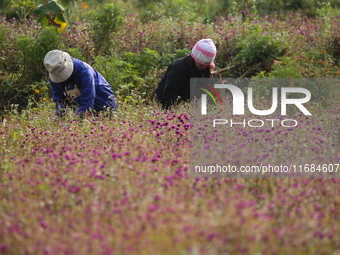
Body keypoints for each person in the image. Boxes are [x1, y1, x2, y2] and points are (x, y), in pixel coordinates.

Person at [43, 49, 117, 119]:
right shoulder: (54, 72)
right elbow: (59, 102)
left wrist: (74, 123)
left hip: (102, 103)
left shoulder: (84, 72)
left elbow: (87, 102)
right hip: (79, 105)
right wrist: (59, 122)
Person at [155, 38, 216, 109]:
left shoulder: (206, 73)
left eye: (206, 65)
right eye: (201, 64)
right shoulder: (178, 68)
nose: (203, 67)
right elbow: (168, 95)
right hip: (166, 109)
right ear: (194, 58)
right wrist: (186, 106)